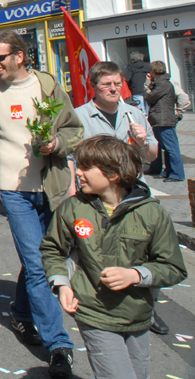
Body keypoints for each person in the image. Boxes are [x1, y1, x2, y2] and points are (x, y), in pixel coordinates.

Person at [0, 30, 83, 378]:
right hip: (12, 190)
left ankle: (21, 313)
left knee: (40, 257)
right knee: (37, 264)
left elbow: (74, 129)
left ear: (20, 56)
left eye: (0, 57)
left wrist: (57, 143)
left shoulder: (48, 86)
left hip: (50, 186)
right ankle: (59, 345)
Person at [41, 136, 187, 379]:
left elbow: (173, 267)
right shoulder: (73, 208)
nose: (78, 173)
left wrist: (135, 275)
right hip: (94, 312)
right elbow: (53, 249)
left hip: (138, 315)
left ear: (113, 174)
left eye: (86, 167)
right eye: (79, 166)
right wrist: (62, 285)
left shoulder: (152, 213)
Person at [74, 61, 168, 336]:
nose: (114, 89)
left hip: (133, 195)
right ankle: (105, 306)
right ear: (94, 87)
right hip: (98, 198)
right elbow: (73, 158)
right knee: (106, 252)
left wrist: (142, 142)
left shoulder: (134, 113)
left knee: (144, 252)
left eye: (117, 84)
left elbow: (152, 155)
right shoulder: (81, 116)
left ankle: (148, 310)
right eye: (107, 85)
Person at [145, 61, 184, 182]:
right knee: (164, 146)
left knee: (171, 147)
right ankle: (167, 170)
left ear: (153, 72)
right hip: (160, 118)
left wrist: (147, 86)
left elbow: (150, 98)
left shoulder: (163, 84)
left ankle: (177, 173)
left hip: (163, 119)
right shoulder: (161, 83)